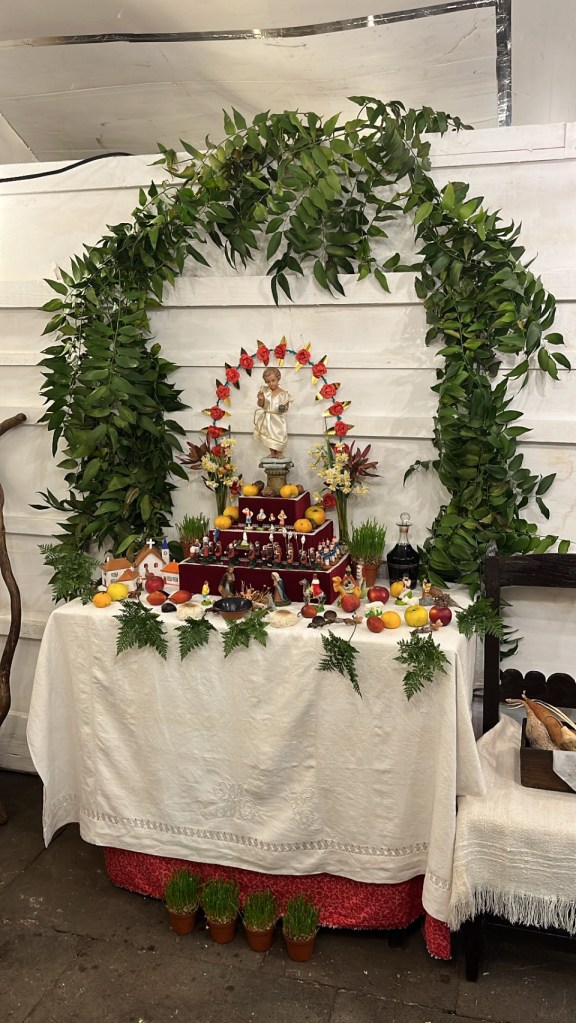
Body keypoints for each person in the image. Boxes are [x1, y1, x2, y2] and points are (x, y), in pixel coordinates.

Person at [253, 367, 292, 458]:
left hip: (278, 419)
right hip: (267, 418)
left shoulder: (284, 394)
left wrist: (284, 408)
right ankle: (273, 452)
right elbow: (261, 405)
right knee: (269, 435)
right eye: (268, 382)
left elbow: (286, 407)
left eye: (273, 380)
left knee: (279, 435)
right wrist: (260, 399)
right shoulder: (264, 391)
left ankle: (279, 452)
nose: (271, 383)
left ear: (278, 379)